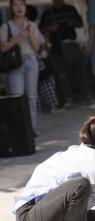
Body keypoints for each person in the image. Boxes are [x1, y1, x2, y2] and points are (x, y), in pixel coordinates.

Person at [40, 0, 91, 108]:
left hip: (71, 45)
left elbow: (80, 23)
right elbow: (41, 28)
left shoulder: (70, 9)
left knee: (80, 71)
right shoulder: (47, 13)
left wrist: (72, 23)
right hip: (57, 48)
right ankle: (68, 99)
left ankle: (87, 97)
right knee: (62, 75)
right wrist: (50, 29)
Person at [0, 0, 40, 136]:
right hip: (15, 64)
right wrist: (19, 36)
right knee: (17, 97)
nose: (19, 8)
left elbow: (36, 48)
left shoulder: (32, 25)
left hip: (31, 61)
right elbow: (3, 47)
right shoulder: (7, 26)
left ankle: (32, 129)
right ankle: (20, 129)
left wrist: (29, 33)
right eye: (15, 5)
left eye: (22, 5)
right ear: (11, 8)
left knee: (31, 97)